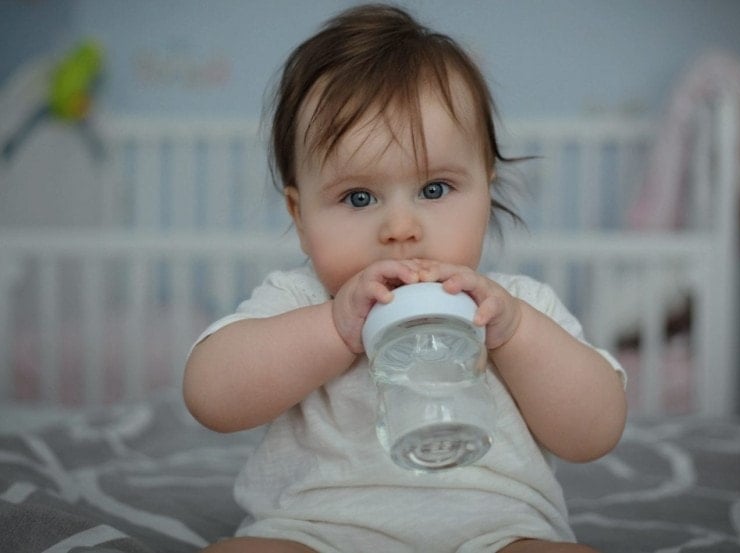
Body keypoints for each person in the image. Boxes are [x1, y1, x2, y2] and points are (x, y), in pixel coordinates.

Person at [184, 4, 627, 552]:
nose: (399, 229)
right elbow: (210, 396)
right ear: (300, 217)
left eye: (435, 189)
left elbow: (596, 431)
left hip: (497, 536)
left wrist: (515, 335)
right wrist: (331, 330)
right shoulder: (299, 302)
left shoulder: (516, 306)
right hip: (315, 535)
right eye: (359, 197)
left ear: (486, 191)